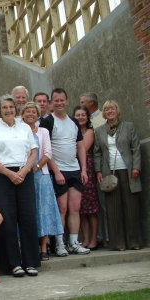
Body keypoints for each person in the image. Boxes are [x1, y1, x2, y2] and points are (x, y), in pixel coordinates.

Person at [0, 95, 40, 277]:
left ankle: (31, 262)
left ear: (16, 109)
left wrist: (24, 171)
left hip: (25, 174)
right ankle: (12, 263)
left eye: (11, 107)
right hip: (3, 175)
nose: (8, 110)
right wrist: (9, 173)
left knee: (28, 217)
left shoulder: (24, 127)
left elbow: (33, 152)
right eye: (4, 107)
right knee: (7, 220)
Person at [40, 88, 89, 256]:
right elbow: (46, 150)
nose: (59, 103)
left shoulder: (74, 122)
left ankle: (74, 242)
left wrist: (83, 168)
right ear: (52, 103)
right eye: (56, 100)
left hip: (75, 170)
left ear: (67, 101)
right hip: (58, 171)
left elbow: (80, 146)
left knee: (74, 207)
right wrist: (57, 171)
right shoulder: (47, 122)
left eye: (62, 100)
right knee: (61, 208)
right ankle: (60, 244)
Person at [94, 100, 143, 251]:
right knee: (113, 209)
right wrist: (98, 170)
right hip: (109, 173)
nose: (110, 111)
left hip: (128, 172)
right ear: (104, 113)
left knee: (131, 207)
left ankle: (134, 241)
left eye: (112, 108)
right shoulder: (99, 130)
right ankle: (117, 243)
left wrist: (136, 167)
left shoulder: (128, 127)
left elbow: (135, 148)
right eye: (107, 109)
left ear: (117, 110)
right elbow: (97, 152)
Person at [21, 102, 64, 261]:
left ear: (38, 115)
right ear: (23, 115)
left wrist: (37, 167)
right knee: (29, 211)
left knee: (44, 211)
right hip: (23, 175)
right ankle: (30, 246)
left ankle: (44, 248)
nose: (31, 114)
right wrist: (26, 169)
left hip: (42, 175)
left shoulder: (44, 131)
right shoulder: (19, 131)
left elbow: (47, 152)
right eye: (28, 111)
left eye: (34, 112)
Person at [73, 106, 100, 250]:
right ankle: (85, 239)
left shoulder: (89, 132)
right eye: (77, 115)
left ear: (87, 117)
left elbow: (83, 148)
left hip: (87, 169)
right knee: (81, 209)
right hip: (74, 169)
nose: (81, 117)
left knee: (91, 208)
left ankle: (94, 239)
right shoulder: (72, 131)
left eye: (83, 115)